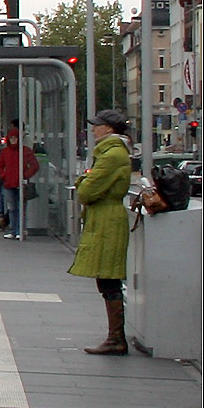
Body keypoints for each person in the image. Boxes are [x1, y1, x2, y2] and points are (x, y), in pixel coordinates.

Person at [69, 109, 133, 355]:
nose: (93, 129)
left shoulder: (112, 154)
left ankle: (116, 338)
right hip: (104, 218)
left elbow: (86, 192)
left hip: (107, 220)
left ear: (109, 128)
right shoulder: (111, 152)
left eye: (97, 125)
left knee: (108, 276)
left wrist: (83, 182)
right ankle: (115, 336)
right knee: (106, 276)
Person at [0, 127, 39, 240]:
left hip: (20, 183)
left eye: (15, 138)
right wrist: (4, 175)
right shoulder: (5, 152)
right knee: (13, 208)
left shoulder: (25, 151)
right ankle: (14, 230)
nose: (14, 140)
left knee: (20, 208)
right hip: (9, 183)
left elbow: (34, 165)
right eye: (12, 138)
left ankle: (19, 230)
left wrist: (25, 175)